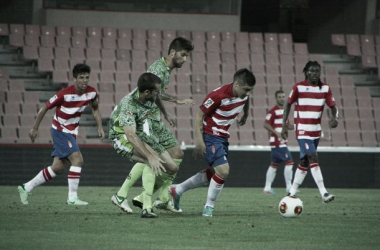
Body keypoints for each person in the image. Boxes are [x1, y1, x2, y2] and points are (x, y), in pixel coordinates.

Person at [111, 37, 194, 213]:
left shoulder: (166, 69)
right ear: (173, 53)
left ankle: (162, 198)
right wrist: (177, 101)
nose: (185, 59)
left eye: (187, 56)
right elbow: (151, 92)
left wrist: (164, 113)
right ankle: (139, 199)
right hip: (145, 119)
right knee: (150, 156)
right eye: (183, 55)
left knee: (177, 153)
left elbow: (156, 94)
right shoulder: (158, 69)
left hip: (153, 117)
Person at [170, 68, 256, 217]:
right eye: (246, 89)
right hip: (211, 134)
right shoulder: (218, 95)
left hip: (223, 137)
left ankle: (177, 190)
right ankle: (209, 207)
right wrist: (199, 140)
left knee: (213, 173)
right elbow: (199, 116)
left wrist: (246, 114)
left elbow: (245, 100)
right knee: (223, 170)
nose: (248, 93)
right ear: (236, 85)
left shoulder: (243, 94)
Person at [18, 64, 105, 205]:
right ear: (74, 79)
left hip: (71, 132)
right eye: (81, 77)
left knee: (57, 168)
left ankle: (26, 187)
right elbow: (45, 107)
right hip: (60, 130)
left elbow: (95, 109)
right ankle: (72, 198)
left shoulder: (92, 93)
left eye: (87, 77)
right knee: (78, 160)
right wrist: (35, 128)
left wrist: (100, 127)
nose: (84, 80)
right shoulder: (64, 94)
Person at [109, 72, 181, 218]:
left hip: (140, 132)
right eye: (156, 92)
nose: (159, 94)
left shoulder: (148, 96)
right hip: (120, 135)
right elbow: (130, 135)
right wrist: (149, 155)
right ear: (147, 92)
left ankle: (121, 195)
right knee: (151, 160)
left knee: (173, 167)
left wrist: (165, 114)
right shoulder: (129, 104)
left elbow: (156, 99)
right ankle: (146, 207)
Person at [281, 61, 338, 203]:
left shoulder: (325, 89)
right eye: (311, 71)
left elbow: (333, 106)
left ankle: (292, 192)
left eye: (317, 71)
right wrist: (284, 124)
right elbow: (288, 104)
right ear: (306, 72)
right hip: (302, 130)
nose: (314, 73)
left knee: (305, 161)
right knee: (313, 156)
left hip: (316, 131)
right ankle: (324, 193)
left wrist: (334, 117)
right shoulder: (298, 87)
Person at [263, 90, 294, 195]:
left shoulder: (285, 111)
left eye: (283, 96)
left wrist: (298, 126)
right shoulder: (273, 111)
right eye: (280, 97)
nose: (282, 98)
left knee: (274, 165)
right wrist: (276, 133)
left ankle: (267, 188)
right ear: (276, 98)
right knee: (289, 162)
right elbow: (266, 124)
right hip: (277, 142)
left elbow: (288, 126)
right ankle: (289, 187)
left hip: (282, 142)